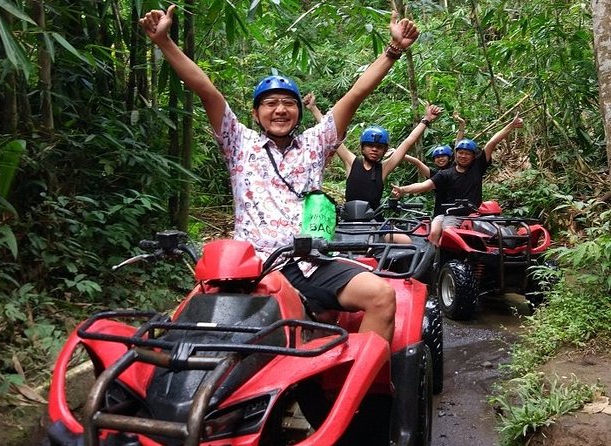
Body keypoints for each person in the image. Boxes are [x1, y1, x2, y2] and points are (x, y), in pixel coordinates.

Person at [139, 6, 420, 343]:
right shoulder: (239, 143)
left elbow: (355, 94)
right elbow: (207, 91)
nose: (280, 109)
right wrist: (164, 42)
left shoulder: (316, 143)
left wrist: (394, 50)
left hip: (308, 264)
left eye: (288, 102)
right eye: (270, 103)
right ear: (256, 113)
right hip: (249, 270)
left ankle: (366, 387)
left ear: (299, 112)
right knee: (187, 330)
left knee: (381, 294)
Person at [304, 93, 441, 242]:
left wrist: (426, 120)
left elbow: (408, 142)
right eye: (370, 146)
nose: (374, 150)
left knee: (406, 241)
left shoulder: (384, 168)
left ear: (384, 150)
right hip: (349, 221)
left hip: (375, 222)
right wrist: (313, 108)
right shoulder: (351, 161)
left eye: (379, 147)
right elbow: (330, 133)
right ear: (362, 148)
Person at [392, 114, 523, 246]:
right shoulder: (445, 174)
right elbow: (425, 185)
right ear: (455, 154)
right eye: (460, 153)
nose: (463, 156)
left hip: (476, 214)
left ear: (473, 156)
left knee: (493, 236)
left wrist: (511, 125)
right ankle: (437, 261)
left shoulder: (477, 167)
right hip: (452, 215)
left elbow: (492, 143)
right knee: (447, 233)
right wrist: (403, 189)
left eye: (467, 153)